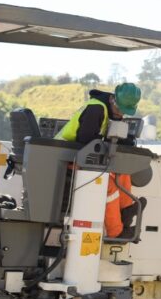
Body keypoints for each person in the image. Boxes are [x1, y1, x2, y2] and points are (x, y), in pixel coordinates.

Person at [56, 83, 143, 238]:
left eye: (125, 112)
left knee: (121, 172)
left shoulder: (104, 108)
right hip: (64, 161)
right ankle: (117, 232)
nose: (121, 115)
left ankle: (127, 209)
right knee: (108, 186)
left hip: (73, 157)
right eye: (120, 110)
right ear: (113, 100)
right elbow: (86, 143)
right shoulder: (96, 109)